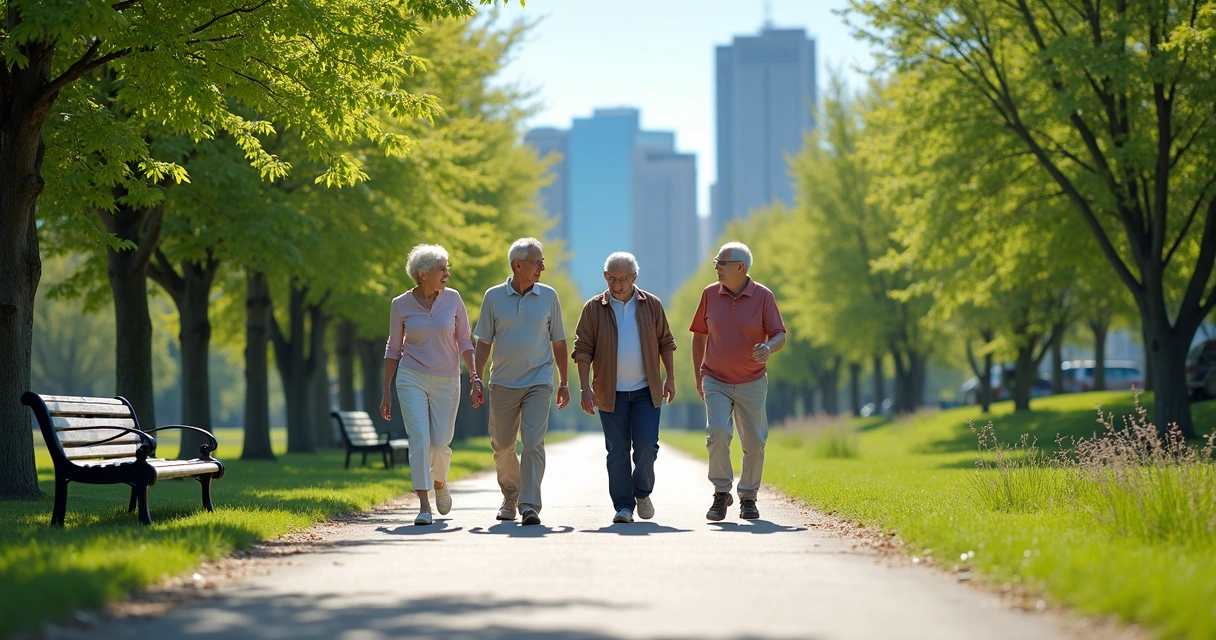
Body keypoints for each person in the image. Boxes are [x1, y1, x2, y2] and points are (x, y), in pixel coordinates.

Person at [471, 237, 570, 525]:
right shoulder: (493, 297)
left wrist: (563, 381)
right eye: (537, 262)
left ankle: (529, 506)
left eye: (542, 262)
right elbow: (484, 342)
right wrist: (476, 378)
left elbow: (559, 342)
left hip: (539, 380)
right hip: (502, 382)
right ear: (517, 265)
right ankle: (510, 496)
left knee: (532, 442)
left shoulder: (549, 296)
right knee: (502, 446)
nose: (542, 267)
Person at [573, 252, 677, 523]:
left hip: (646, 391)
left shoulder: (651, 305)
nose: (616, 284)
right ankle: (623, 506)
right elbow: (582, 350)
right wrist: (585, 388)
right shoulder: (594, 308)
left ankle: (642, 493)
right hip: (610, 393)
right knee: (617, 450)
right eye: (611, 278)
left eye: (622, 279)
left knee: (645, 446)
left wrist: (671, 378)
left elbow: (666, 342)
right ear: (605, 276)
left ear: (634, 277)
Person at [380, 244, 480, 526]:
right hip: (411, 376)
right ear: (422, 274)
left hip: (448, 378)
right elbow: (393, 348)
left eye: (447, 268)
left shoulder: (453, 299)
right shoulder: (400, 304)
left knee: (439, 444)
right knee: (420, 439)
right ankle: (424, 505)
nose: (447, 273)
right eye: (441, 269)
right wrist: (386, 390)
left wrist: (474, 377)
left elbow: (464, 340)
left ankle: (439, 483)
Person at [690, 241, 786, 521]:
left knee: (755, 441)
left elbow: (780, 333)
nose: (716, 267)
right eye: (716, 263)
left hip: (752, 380)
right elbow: (699, 335)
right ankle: (721, 493)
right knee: (718, 432)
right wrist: (699, 374)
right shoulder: (709, 294)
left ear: (740, 267)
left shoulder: (764, 297)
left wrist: (769, 347)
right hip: (715, 378)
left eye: (721, 263)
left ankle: (749, 497)